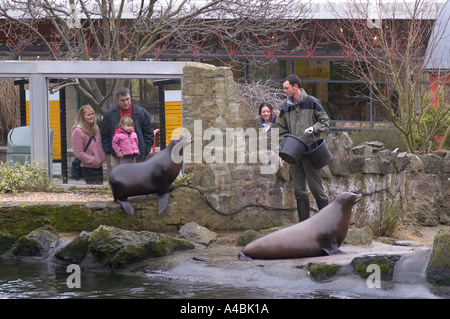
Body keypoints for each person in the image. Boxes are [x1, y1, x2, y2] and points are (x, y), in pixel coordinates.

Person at [277, 74, 330, 222]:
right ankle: (304, 227)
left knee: (317, 190)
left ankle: (327, 226)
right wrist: (282, 151)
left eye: (286, 88)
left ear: (295, 87)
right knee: (299, 191)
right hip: (294, 154)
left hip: (310, 152)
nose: (285, 91)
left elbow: (325, 122)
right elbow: (281, 131)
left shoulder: (312, 102)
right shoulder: (286, 107)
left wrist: (314, 128)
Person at [101, 87, 154, 170]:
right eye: (122, 100)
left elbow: (149, 133)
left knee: (137, 181)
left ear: (130, 97)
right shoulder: (109, 114)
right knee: (117, 181)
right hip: (117, 157)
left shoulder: (142, 113)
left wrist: (144, 150)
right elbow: (104, 135)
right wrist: (111, 151)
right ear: (117, 100)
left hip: (137, 156)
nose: (126, 102)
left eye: (127, 99)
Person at [72, 104, 107, 185]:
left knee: (100, 190)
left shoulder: (96, 128)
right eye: (88, 115)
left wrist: (102, 157)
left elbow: (99, 144)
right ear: (82, 117)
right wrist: (93, 160)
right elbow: (78, 153)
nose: (91, 116)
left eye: (92, 114)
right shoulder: (78, 131)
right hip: (88, 167)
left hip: (99, 165)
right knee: (94, 190)